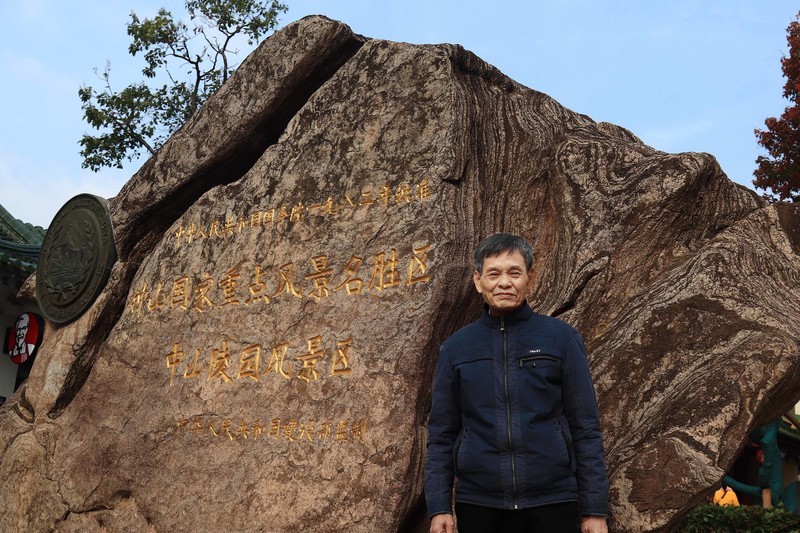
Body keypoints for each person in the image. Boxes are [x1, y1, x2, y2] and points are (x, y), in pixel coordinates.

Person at [425, 233, 609, 533]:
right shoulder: (456, 348)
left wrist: (595, 509)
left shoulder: (561, 339)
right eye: (493, 273)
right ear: (478, 280)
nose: (504, 283)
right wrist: (439, 506)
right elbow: (442, 434)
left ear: (530, 278)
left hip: (553, 501)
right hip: (480, 504)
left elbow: (586, 428)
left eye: (515, 272)